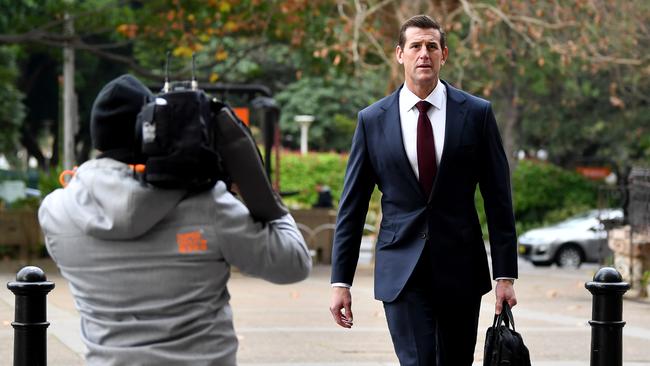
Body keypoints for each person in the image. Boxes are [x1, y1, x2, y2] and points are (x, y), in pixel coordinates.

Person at [39, 74, 312, 366]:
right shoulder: (208, 204)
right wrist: (257, 187)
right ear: (153, 129)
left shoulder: (56, 212)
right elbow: (293, 263)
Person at [329, 15, 518, 366]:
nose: (424, 53)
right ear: (399, 54)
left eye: (432, 46)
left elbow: (498, 199)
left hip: (460, 266)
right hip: (401, 268)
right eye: (415, 46)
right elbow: (351, 208)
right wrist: (341, 281)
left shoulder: (476, 114)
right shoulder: (372, 120)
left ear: (444, 54)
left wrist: (504, 276)